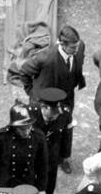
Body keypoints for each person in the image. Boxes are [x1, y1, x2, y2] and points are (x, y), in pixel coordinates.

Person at [18, 27, 86, 172]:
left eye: (77, 46)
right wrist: (32, 92)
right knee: (41, 131)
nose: (76, 49)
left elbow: (77, 66)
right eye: (73, 47)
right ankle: (37, 160)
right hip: (46, 103)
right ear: (62, 44)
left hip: (66, 100)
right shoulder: (45, 58)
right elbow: (24, 72)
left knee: (66, 129)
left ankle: (64, 158)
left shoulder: (79, 49)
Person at [0, 103, 48, 193]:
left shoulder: (38, 137)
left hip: (28, 184)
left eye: (29, 127)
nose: (26, 132)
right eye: (22, 129)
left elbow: (42, 166)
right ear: (14, 127)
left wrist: (41, 189)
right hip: (5, 184)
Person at [31, 87, 71, 194]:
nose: (54, 118)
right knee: (30, 180)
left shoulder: (64, 114)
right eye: (51, 115)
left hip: (51, 155)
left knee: (50, 183)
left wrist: (65, 155)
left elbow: (66, 134)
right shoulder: (30, 113)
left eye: (56, 114)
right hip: (33, 154)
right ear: (44, 107)